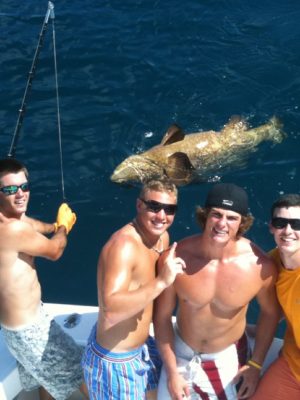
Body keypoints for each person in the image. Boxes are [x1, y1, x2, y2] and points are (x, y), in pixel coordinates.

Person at [154, 182, 281, 400]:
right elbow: (163, 316)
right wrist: (172, 371)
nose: (222, 224)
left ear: (242, 223)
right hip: (180, 350)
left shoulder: (259, 267)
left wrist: (255, 365)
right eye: (216, 214)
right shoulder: (175, 257)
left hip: (225, 355)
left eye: (231, 218)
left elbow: (270, 313)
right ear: (205, 215)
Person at [82, 179, 185, 400]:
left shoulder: (161, 237)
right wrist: (161, 282)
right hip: (115, 361)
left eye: (169, 209)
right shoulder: (124, 246)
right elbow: (111, 310)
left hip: (143, 347)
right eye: (154, 206)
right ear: (139, 205)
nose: (161, 216)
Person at [0, 158, 87, 400]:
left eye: (23, 187)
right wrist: (64, 227)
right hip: (31, 332)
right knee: (84, 375)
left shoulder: (10, 220)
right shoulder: (12, 230)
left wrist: (53, 225)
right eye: (9, 189)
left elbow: (30, 224)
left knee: (44, 376)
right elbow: (55, 251)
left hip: (15, 331)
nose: (19, 194)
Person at [250, 194, 300, 399]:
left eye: (296, 224)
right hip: (293, 365)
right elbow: (277, 309)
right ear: (271, 227)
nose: (288, 231)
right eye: (281, 223)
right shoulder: (272, 262)